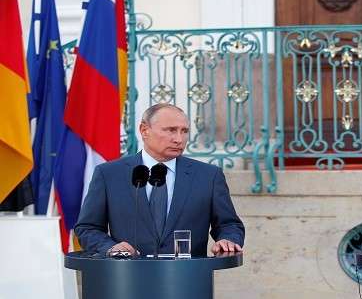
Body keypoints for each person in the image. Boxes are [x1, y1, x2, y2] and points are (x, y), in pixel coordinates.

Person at [75, 103, 245, 257]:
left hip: (188, 277)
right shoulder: (109, 174)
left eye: (184, 131)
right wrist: (111, 248)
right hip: (127, 276)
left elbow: (229, 224)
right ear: (144, 130)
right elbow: (88, 228)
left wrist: (228, 240)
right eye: (170, 130)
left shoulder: (208, 176)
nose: (179, 139)